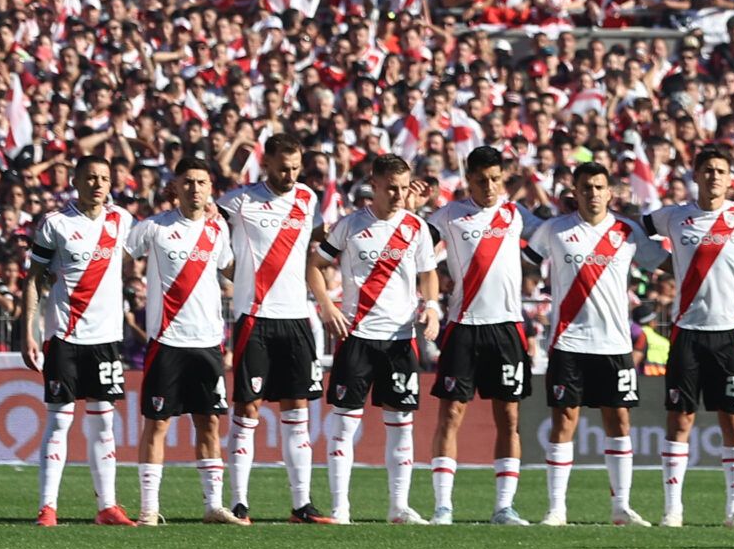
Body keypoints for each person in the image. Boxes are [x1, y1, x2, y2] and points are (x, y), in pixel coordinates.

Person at [641, 144, 734, 529]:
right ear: (695, 176)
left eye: (720, 170)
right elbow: (629, 229)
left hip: (730, 332)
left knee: (733, 423)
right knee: (680, 420)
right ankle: (673, 509)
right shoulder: (674, 217)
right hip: (688, 333)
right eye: (707, 170)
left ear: (731, 178)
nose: (714, 176)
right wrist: (662, 263)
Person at [313, 154, 442, 525]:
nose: (399, 195)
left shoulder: (416, 227)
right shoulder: (350, 225)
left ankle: (398, 506)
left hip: (400, 339)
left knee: (401, 421)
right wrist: (327, 306)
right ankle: (341, 508)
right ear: (375, 184)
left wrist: (431, 307)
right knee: (344, 423)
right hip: (357, 336)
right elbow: (315, 266)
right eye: (392, 188)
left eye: (404, 188)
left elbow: (428, 274)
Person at [531, 163, 655, 526]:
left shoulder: (627, 231)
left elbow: (664, 263)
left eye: (600, 187)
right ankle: (556, 508)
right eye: (586, 187)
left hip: (615, 344)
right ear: (576, 191)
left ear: (610, 192)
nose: (594, 193)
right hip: (569, 341)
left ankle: (621, 507)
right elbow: (525, 261)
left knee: (618, 420)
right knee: (564, 420)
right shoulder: (555, 230)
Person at [217, 133, 331, 524]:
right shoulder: (240, 200)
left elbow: (315, 248)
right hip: (254, 316)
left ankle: (302, 505)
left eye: (296, 168)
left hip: (296, 317)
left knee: (297, 408)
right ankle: (239, 503)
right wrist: (236, 273)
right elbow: (209, 235)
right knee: (248, 409)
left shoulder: (308, 199)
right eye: (283, 168)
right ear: (266, 164)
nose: (290, 175)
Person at [125, 157, 245, 526]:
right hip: (167, 340)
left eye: (202, 182)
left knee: (209, 422)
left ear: (211, 189)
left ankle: (213, 505)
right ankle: (148, 508)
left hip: (207, 341)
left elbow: (229, 269)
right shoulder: (154, 228)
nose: (195, 188)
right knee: (157, 423)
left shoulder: (217, 231)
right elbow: (122, 258)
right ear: (175, 186)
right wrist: (131, 293)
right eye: (188, 182)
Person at [24, 155, 139, 527]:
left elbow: (148, 249)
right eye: (90, 177)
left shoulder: (121, 220)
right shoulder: (55, 224)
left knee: (104, 424)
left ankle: (107, 506)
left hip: (106, 339)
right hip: (65, 337)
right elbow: (34, 279)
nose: (98, 184)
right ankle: (47, 507)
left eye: (104, 178)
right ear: (76, 180)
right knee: (59, 421)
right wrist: (30, 331)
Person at [425, 146, 536, 526]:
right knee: (451, 413)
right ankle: (443, 506)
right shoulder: (449, 217)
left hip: (507, 327)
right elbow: (411, 240)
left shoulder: (517, 215)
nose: (489, 187)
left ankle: (504, 507)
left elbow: (556, 233)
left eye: (495, 179)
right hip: (463, 326)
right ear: (468, 180)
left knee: (508, 417)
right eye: (480, 180)